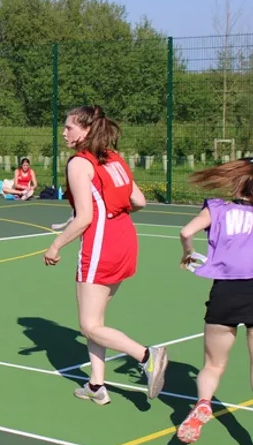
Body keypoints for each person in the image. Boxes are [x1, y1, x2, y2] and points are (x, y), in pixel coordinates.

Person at [43, 105, 167, 405]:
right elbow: (139, 201)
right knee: (95, 319)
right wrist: (101, 212)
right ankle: (96, 385)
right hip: (124, 237)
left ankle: (147, 356)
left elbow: (86, 217)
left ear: (86, 130)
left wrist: (56, 245)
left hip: (101, 243)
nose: (64, 132)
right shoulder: (113, 158)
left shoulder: (78, 164)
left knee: (89, 325)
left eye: (69, 127)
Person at [175, 158, 253, 444]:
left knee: (212, 365)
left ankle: (204, 403)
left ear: (236, 181)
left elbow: (185, 232)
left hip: (226, 292)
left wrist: (188, 252)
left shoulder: (218, 208)